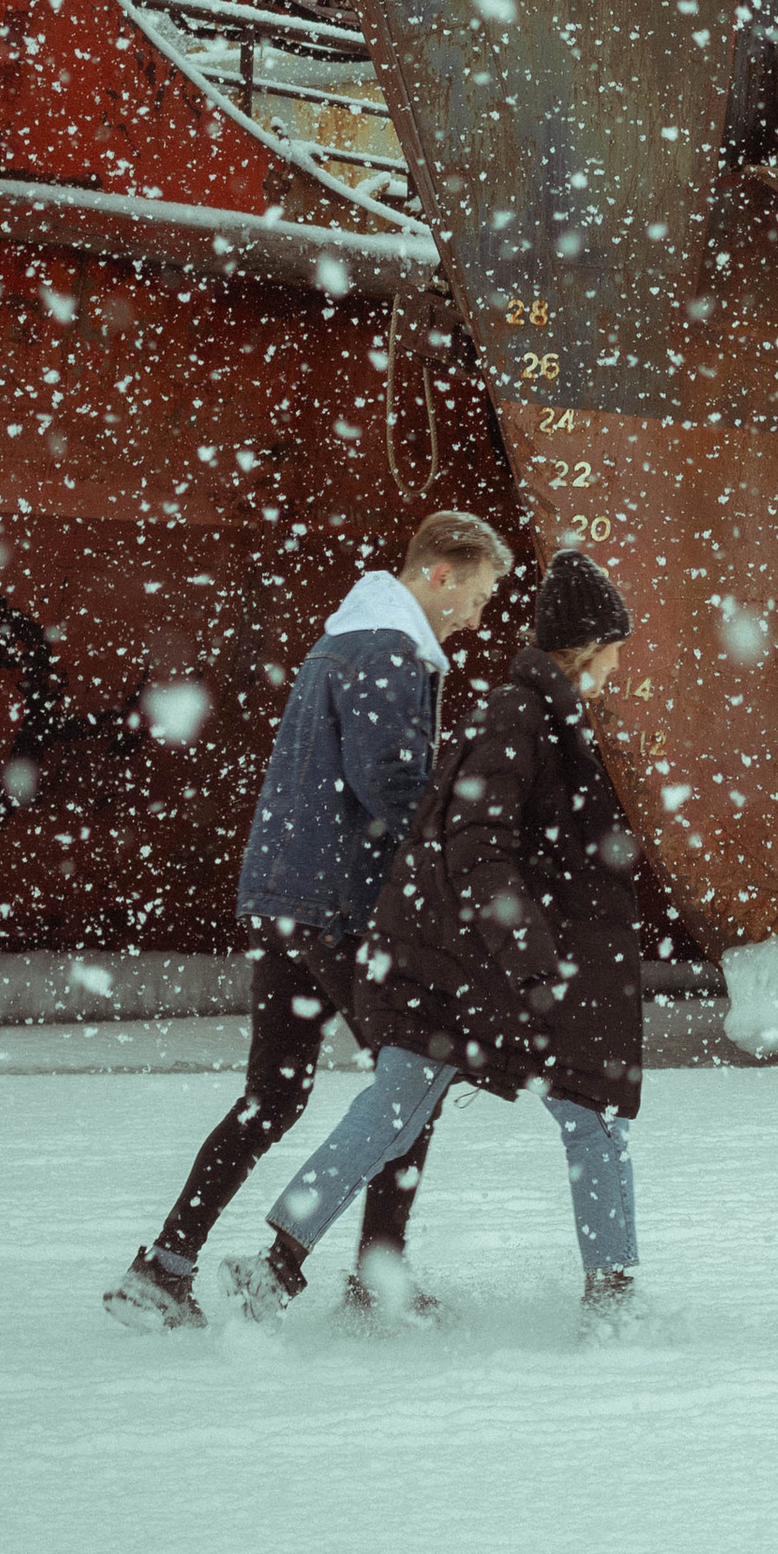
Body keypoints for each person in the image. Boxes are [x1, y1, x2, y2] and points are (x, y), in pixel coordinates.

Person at [104, 509, 515, 1331]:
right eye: (479, 592)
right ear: (439, 572)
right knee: (413, 1088)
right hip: (343, 907)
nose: (480, 613)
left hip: (287, 899)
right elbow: (391, 786)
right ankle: (374, 1283)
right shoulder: (386, 650)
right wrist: (461, 863)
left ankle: (163, 1268)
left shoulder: (345, 640)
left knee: (273, 1094)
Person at [225, 549, 643, 1324]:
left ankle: (276, 1264)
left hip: (456, 956)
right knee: (592, 1115)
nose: (619, 665)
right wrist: (534, 959)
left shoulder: (526, 714)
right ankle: (614, 1302)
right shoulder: (525, 717)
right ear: (587, 645)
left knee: (399, 1100)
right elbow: (480, 847)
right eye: (615, 647)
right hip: (484, 965)